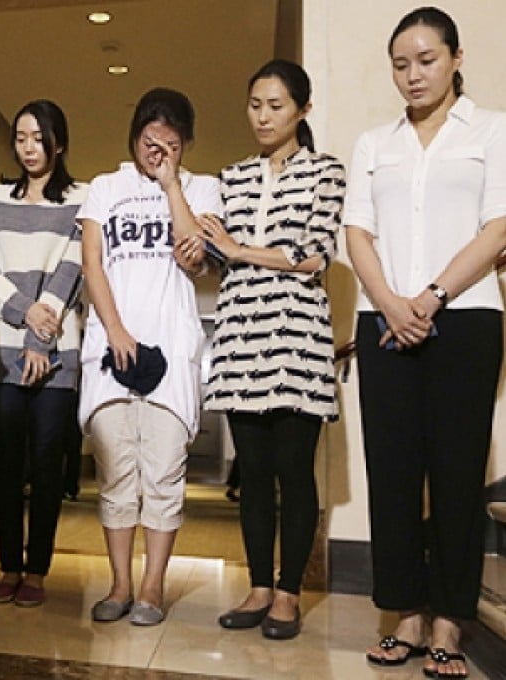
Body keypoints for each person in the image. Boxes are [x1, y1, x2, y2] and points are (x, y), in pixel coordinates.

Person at [345, 8, 506, 678]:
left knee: (458, 474)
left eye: (427, 60)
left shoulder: (493, 131)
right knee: (394, 472)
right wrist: (390, 303)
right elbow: (357, 231)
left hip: (465, 318)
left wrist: (432, 297)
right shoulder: (372, 143)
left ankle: (450, 617)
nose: (413, 75)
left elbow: (497, 228)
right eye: (401, 64)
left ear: (457, 58)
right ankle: (406, 614)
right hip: (383, 322)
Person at [200, 59, 346, 641]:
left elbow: (313, 255)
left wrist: (238, 248)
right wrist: (213, 245)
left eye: (276, 105)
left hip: (298, 337)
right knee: (253, 471)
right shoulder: (231, 177)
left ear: (303, 109)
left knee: (294, 469)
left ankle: (289, 593)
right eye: (255, 104)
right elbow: (213, 251)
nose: (263, 116)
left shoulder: (326, 173)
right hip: (239, 336)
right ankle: (259, 586)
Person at [78, 88, 221, 626]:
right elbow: (93, 263)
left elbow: (195, 257)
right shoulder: (104, 188)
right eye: (149, 140)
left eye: (171, 143)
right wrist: (116, 330)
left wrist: (171, 186)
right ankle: (119, 584)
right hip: (110, 349)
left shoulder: (202, 188)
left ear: (184, 146)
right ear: (134, 135)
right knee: (115, 475)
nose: (157, 150)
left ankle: (153, 588)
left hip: (173, 347)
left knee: (163, 477)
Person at [0, 100, 86, 608]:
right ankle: (8, 566)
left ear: (58, 142)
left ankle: (36, 570)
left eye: (38, 137)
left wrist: (41, 338)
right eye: (21, 137)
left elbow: (72, 269)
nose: (29, 147)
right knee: (6, 462)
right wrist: (23, 314)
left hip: (58, 347)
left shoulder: (81, 200)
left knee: (46, 464)